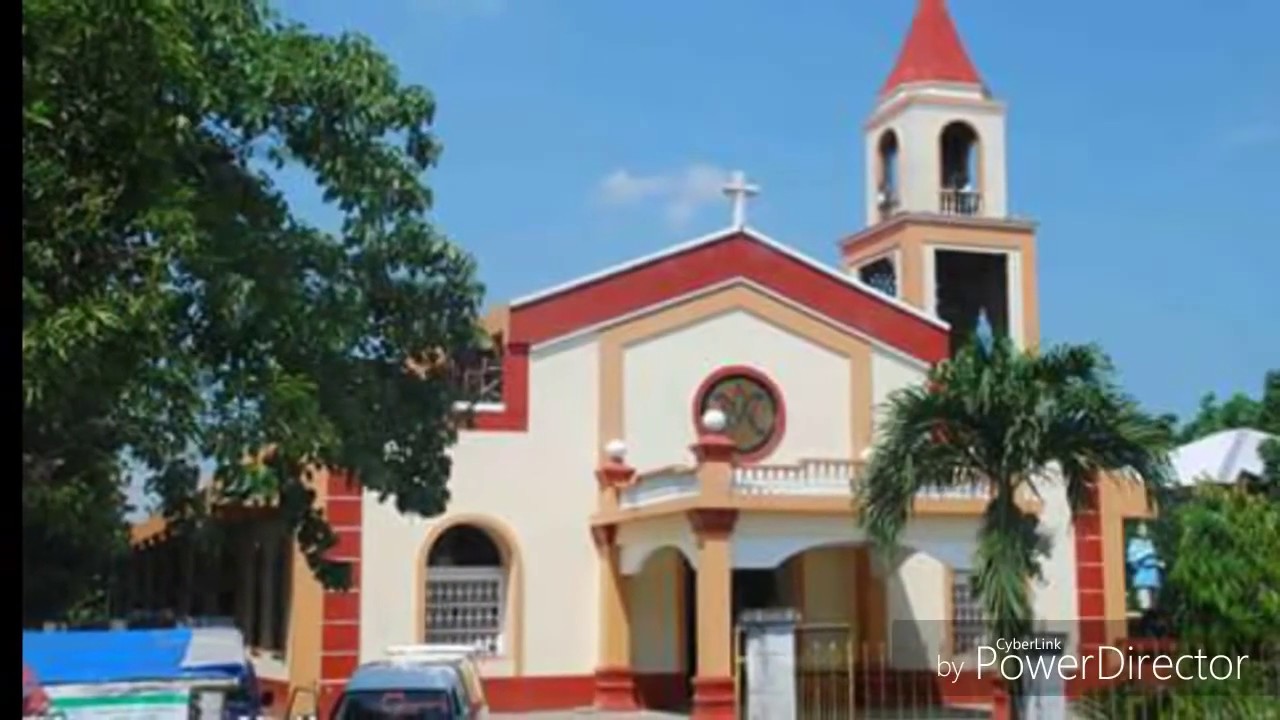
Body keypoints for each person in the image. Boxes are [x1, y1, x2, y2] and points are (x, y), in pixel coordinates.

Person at [1126, 522, 1164, 611]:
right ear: (1138, 531)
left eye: (1145, 529)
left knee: (1154, 606)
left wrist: (1158, 564)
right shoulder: (1134, 543)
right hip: (1142, 576)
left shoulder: (1149, 543)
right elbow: (1132, 560)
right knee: (1145, 605)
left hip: (1153, 576)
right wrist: (1146, 554)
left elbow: (1153, 557)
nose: (1144, 531)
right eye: (1142, 529)